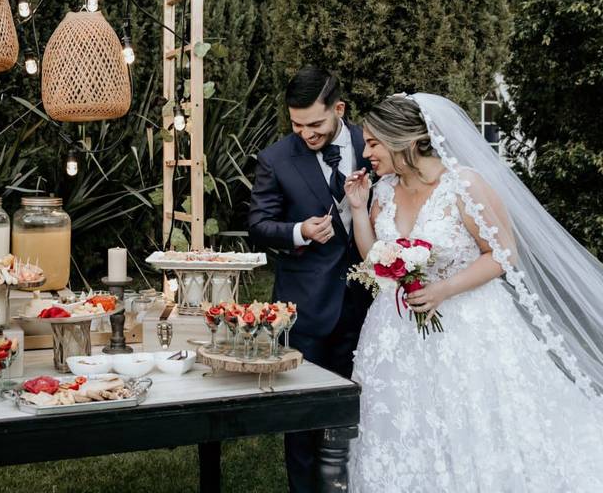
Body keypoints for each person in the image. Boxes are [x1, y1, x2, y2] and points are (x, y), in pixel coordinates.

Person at [344, 93, 603, 492]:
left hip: (467, 327)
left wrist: (443, 290)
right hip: (394, 332)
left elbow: (502, 255)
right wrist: (359, 210)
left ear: (406, 140)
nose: (366, 152)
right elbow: (376, 260)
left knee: (470, 420)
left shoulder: (463, 185)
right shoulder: (382, 191)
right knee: (405, 424)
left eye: (374, 142)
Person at [248, 67, 373, 493]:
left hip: (367, 305)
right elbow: (259, 224)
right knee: (302, 416)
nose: (306, 133)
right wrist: (298, 231)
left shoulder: (370, 146)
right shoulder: (275, 158)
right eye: (297, 124)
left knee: (359, 409)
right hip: (304, 308)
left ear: (339, 109)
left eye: (316, 124)